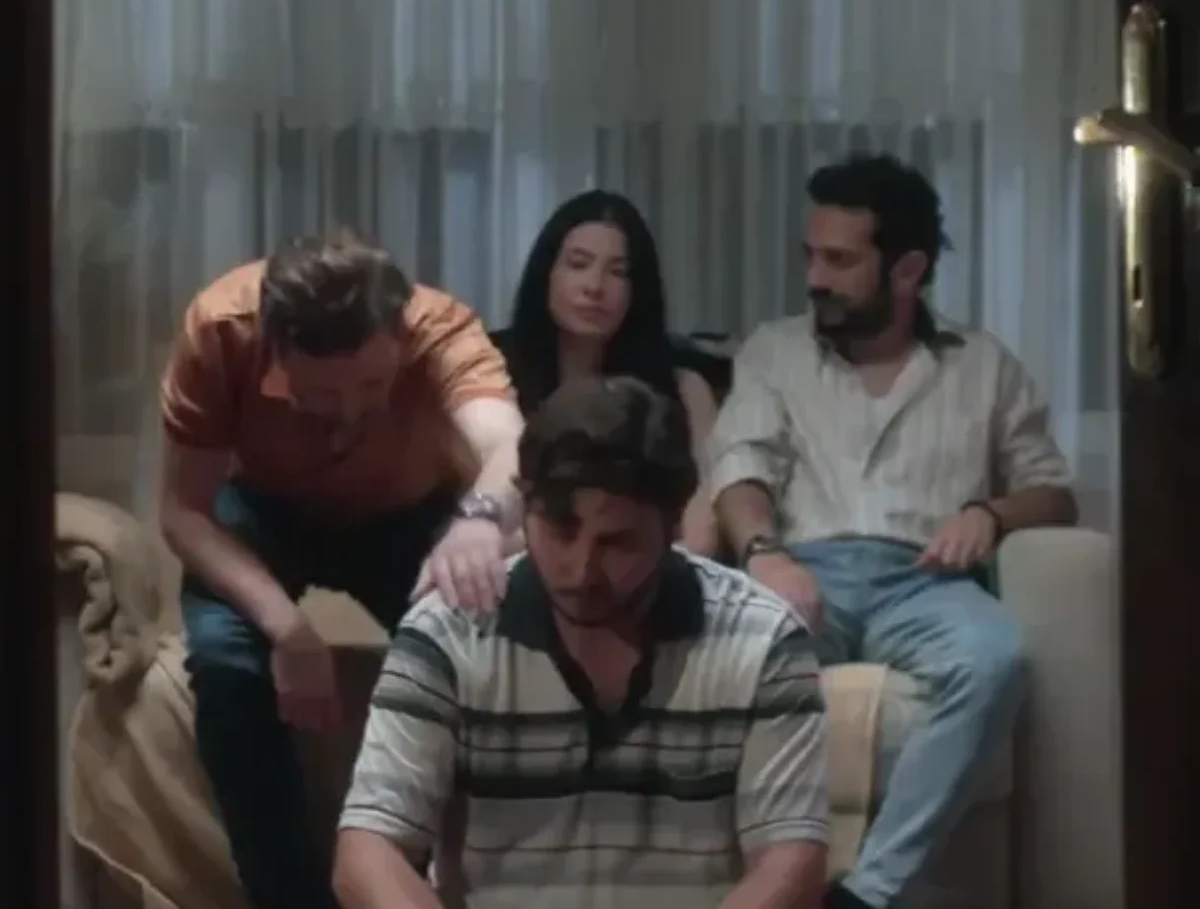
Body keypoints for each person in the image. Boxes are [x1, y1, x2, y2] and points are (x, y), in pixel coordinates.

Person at [706, 154, 1077, 909]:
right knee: (725, 660)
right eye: (811, 256)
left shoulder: (984, 365)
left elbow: (1054, 493)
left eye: (840, 261)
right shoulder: (775, 351)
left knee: (996, 659)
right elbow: (739, 469)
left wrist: (991, 514)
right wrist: (763, 553)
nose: (815, 278)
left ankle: (869, 893)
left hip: (926, 582)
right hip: (804, 570)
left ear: (908, 271)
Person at [333, 375, 830, 909]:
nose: (581, 569)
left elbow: (790, 865)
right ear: (525, 505)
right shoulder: (449, 633)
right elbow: (369, 852)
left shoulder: (762, 639)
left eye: (617, 542)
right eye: (560, 531)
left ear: (672, 527)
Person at [158, 230, 524, 909]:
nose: (351, 411)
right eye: (322, 393)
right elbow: (184, 511)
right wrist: (288, 630)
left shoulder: (440, 327)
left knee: (476, 650)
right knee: (225, 665)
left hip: (408, 513)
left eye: (374, 384)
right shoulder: (222, 328)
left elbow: (510, 444)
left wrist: (478, 517)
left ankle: (432, 886)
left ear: (400, 337)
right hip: (264, 510)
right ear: (275, 349)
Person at [492, 189, 722, 554]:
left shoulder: (685, 389)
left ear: (638, 289)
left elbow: (701, 538)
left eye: (618, 272)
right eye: (578, 264)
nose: (594, 286)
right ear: (546, 273)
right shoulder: (491, 374)